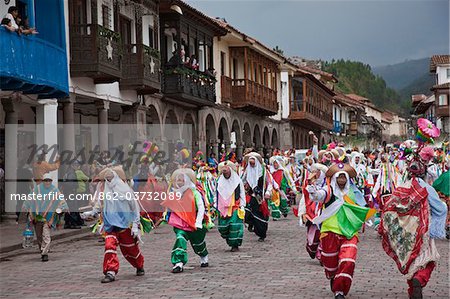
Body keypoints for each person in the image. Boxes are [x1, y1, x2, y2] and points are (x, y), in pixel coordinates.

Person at [379, 148, 447, 299]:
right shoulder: (426, 188)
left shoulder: (401, 187)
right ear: (423, 172)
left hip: (405, 233)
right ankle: (419, 280)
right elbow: (439, 208)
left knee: (410, 261)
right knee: (428, 259)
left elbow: (389, 208)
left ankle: (413, 290)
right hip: (422, 230)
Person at [307, 163, 375, 299]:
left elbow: (363, 207)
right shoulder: (329, 190)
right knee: (330, 263)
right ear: (335, 179)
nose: (342, 181)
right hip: (329, 231)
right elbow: (319, 196)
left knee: (348, 260)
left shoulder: (354, 192)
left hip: (349, 233)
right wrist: (313, 190)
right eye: (339, 178)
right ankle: (334, 277)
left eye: (344, 178)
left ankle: (340, 290)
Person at [81, 167, 145, 283]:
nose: (108, 181)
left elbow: (135, 208)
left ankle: (139, 265)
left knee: (130, 249)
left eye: (110, 178)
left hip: (125, 225)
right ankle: (110, 271)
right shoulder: (104, 190)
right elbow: (99, 204)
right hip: (110, 225)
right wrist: (91, 213)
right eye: (107, 179)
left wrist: (136, 224)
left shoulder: (126, 190)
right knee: (109, 246)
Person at [162, 168, 209, 273]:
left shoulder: (195, 193)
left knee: (198, 243)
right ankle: (178, 262)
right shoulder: (174, 193)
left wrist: (198, 222)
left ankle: (203, 255)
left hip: (194, 222)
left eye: (182, 180)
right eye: (178, 180)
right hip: (180, 223)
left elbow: (201, 207)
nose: (179, 183)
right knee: (180, 238)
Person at [22, 174, 68, 262]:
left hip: (48, 218)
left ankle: (45, 253)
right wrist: (25, 206)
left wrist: (63, 208)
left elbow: (62, 201)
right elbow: (29, 199)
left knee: (46, 236)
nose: (47, 182)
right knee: (39, 237)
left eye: (49, 180)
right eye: (46, 180)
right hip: (37, 217)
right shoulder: (37, 189)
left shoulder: (55, 191)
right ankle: (42, 250)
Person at [298, 163, 328, 261]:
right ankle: (313, 249)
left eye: (317, 172)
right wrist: (302, 213)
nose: (315, 174)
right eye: (314, 172)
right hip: (312, 215)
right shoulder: (310, 185)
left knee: (323, 234)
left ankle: (322, 253)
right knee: (313, 236)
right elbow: (304, 199)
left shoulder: (328, 186)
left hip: (324, 214)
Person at [215, 161, 246, 252]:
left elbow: (242, 193)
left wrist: (242, 206)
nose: (225, 173)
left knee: (234, 226)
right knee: (223, 228)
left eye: (227, 171)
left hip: (235, 206)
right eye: (223, 171)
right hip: (222, 208)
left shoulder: (237, 181)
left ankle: (235, 245)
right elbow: (215, 193)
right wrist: (214, 204)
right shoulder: (219, 181)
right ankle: (229, 240)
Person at [242, 152, 272, 241]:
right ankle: (252, 224)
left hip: (261, 197)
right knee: (248, 213)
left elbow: (269, 182)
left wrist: (268, 192)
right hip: (251, 196)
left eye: (253, 163)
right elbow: (242, 181)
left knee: (260, 216)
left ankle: (261, 234)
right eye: (250, 163)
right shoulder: (247, 171)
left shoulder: (263, 171)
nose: (251, 165)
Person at [268, 155, 296, 220]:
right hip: (273, 189)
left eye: (276, 163)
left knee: (283, 202)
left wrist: (293, 187)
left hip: (282, 189)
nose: (275, 165)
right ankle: (276, 216)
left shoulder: (283, 171)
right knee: (274, 202)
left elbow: (289, 179)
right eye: (274, 163)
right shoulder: (271, 171)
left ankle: (284, 211)